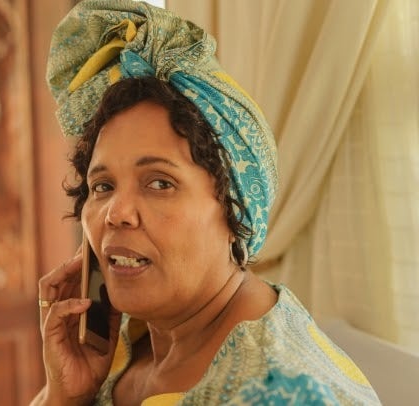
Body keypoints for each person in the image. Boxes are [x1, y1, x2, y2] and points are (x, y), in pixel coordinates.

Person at [32, 1, 381, 404]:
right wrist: (65, 394)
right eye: (103, 185)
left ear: (235, 211)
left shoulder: (279, 392)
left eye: (160, 183)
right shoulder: (125, 338)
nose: (116, 212)